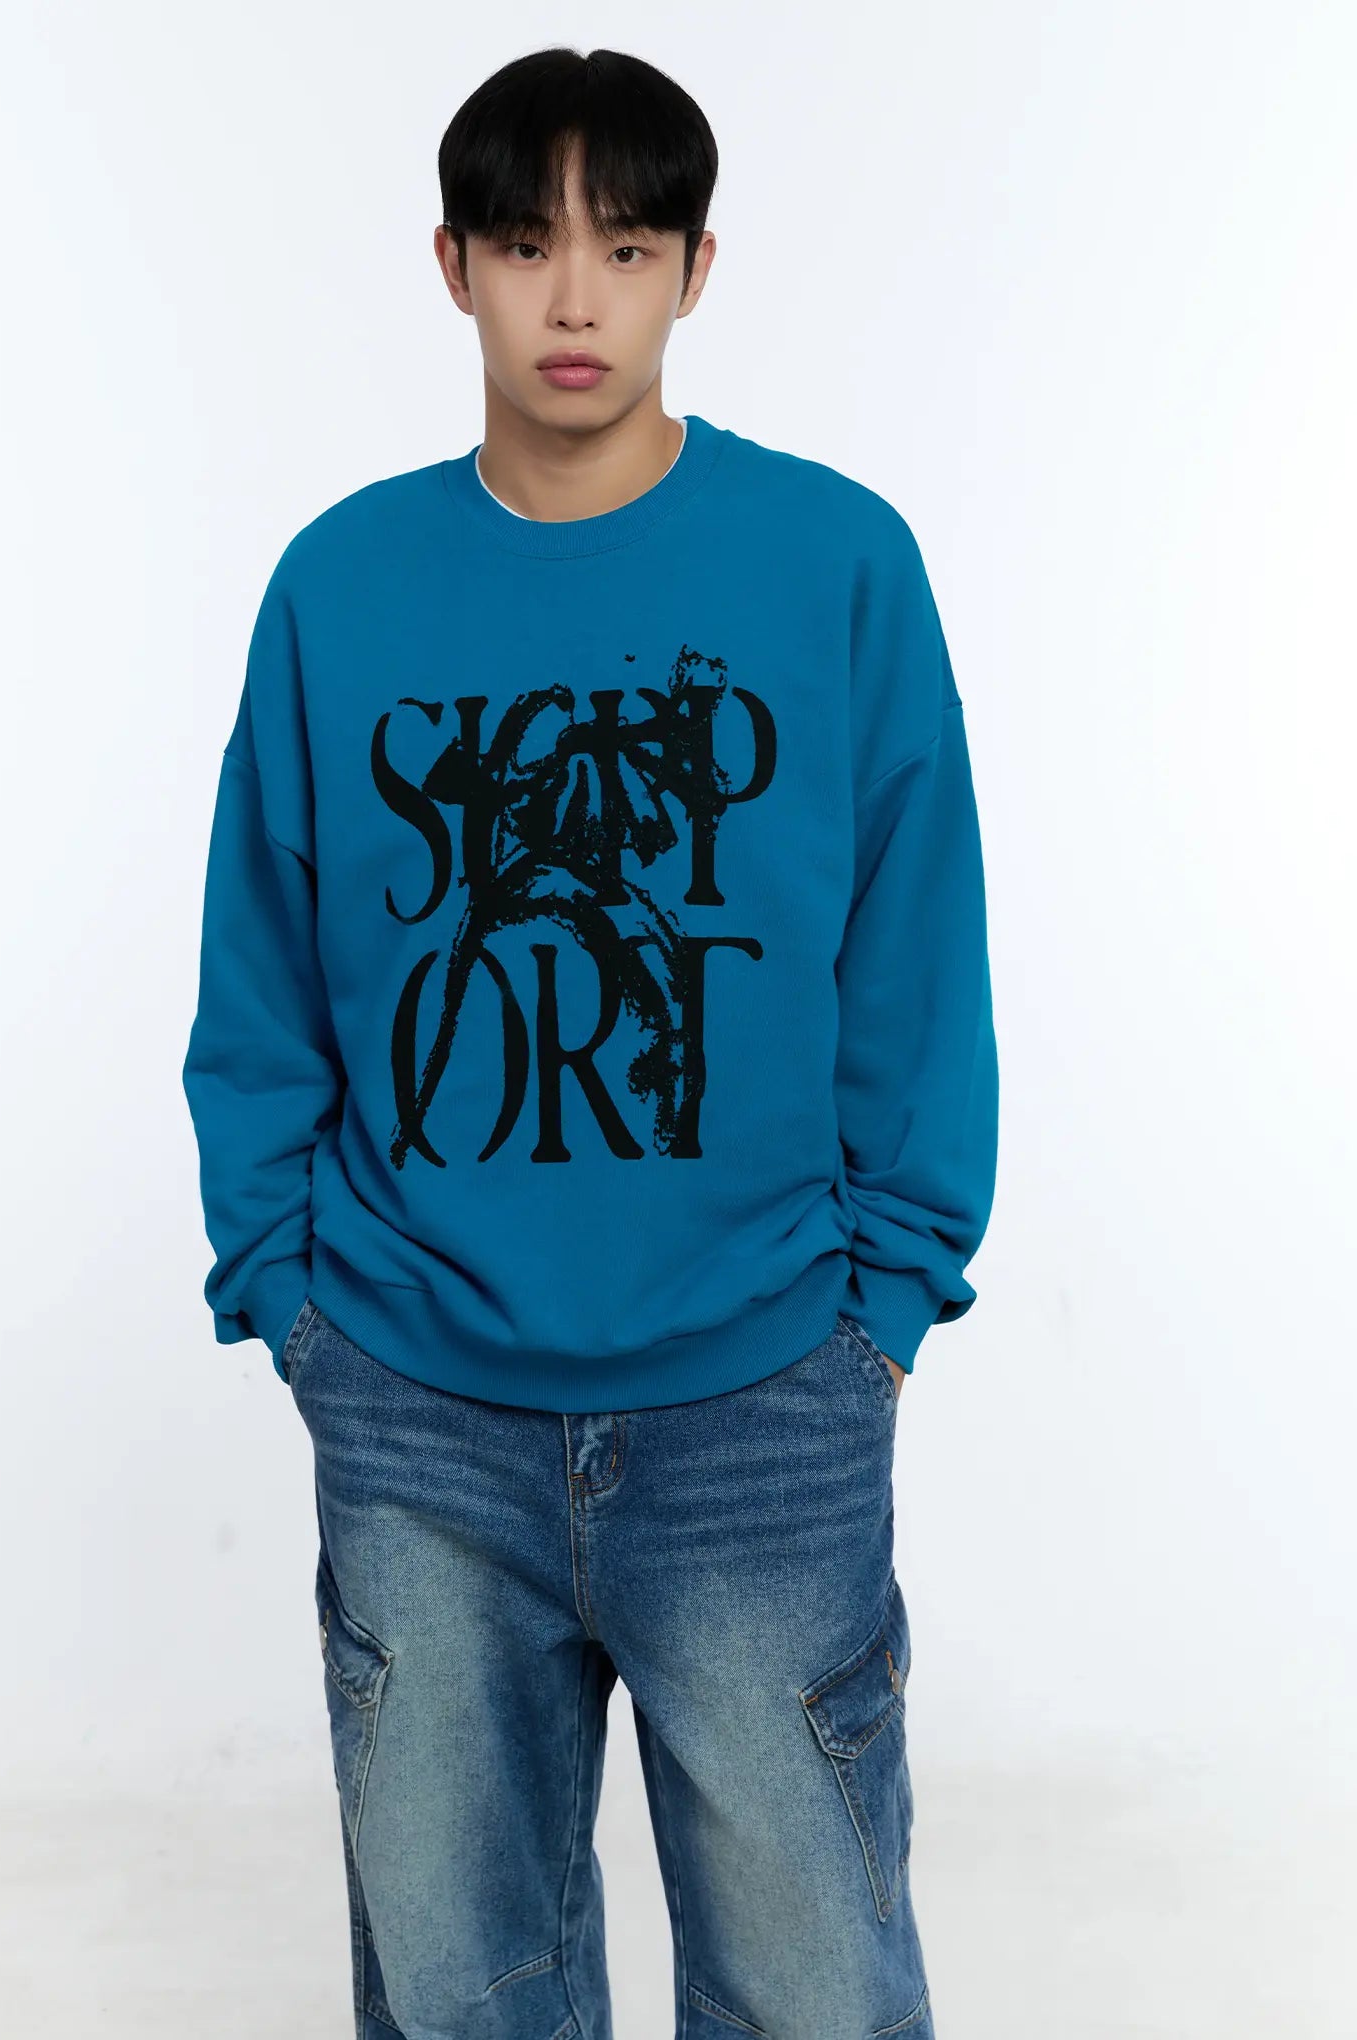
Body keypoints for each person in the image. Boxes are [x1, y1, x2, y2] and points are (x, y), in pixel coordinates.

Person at [182, 44, 997, 2040]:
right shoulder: (340, 585)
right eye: (527, 244)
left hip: (763, 1403)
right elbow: (260, 969)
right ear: (451, 264)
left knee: (815, 1997)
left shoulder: (839, 565)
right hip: (418, 1409)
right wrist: (293, 1297)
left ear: (697, 270)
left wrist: (885, 1306)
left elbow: (917, 953)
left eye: (626, 248)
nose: (573, 299)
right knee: (465, 1996)